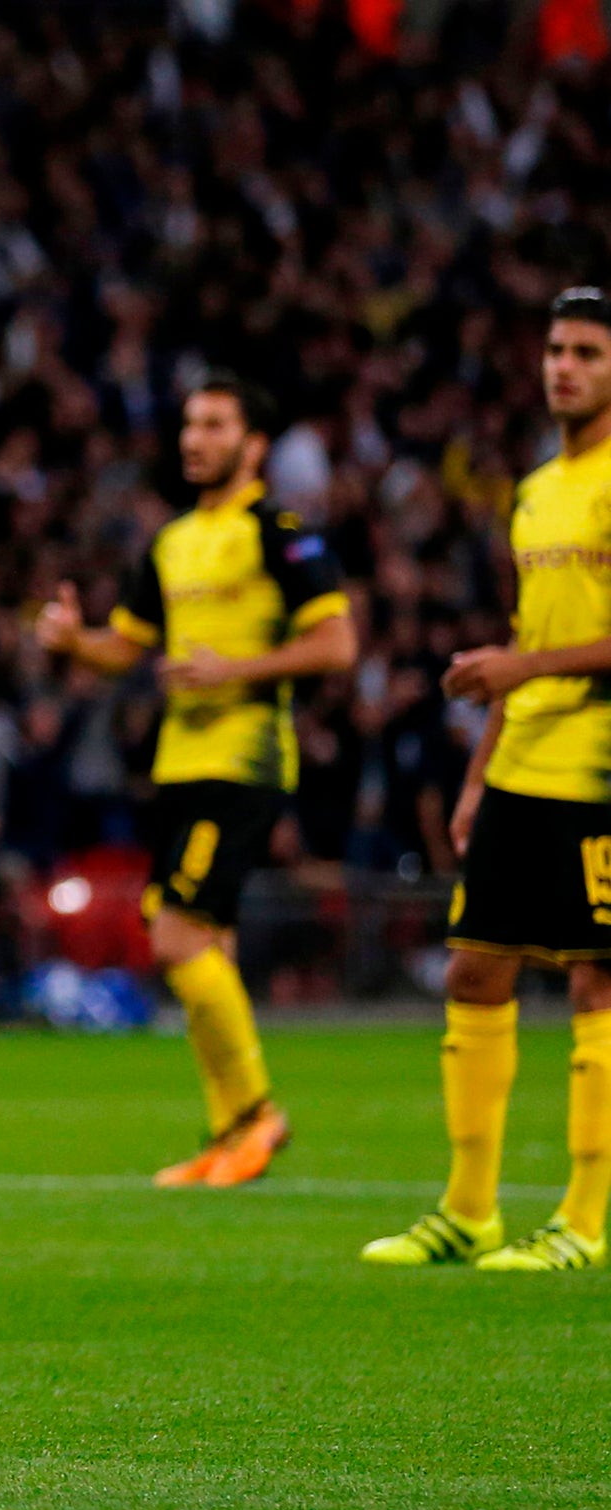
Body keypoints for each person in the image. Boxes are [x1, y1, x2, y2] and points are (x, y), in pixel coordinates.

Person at [35, 372, 357, 1186]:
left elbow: (336, 645)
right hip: (179, 765)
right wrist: (75, 640)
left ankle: (256, 1113)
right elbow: (127, 648)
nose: (193, 439)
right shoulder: (172, 542)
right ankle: (227, 1134)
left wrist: (235, 670)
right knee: (201, 940)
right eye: (188, 424)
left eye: (214, 424)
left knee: (174, 931)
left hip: (243, 761)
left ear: (252, 445)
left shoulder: (279, 533)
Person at [365, 288, 611, 1273]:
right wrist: (475, 777)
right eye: (554, 349)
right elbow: (528, 640)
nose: (563, 367)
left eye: (586, 353)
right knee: (474, 965)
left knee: (597, 980)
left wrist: (519, 672)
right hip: (522, 760)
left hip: (599, 764)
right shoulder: (535, 490)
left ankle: (584, 1221)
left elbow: (534, 657)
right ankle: (470, 1209)